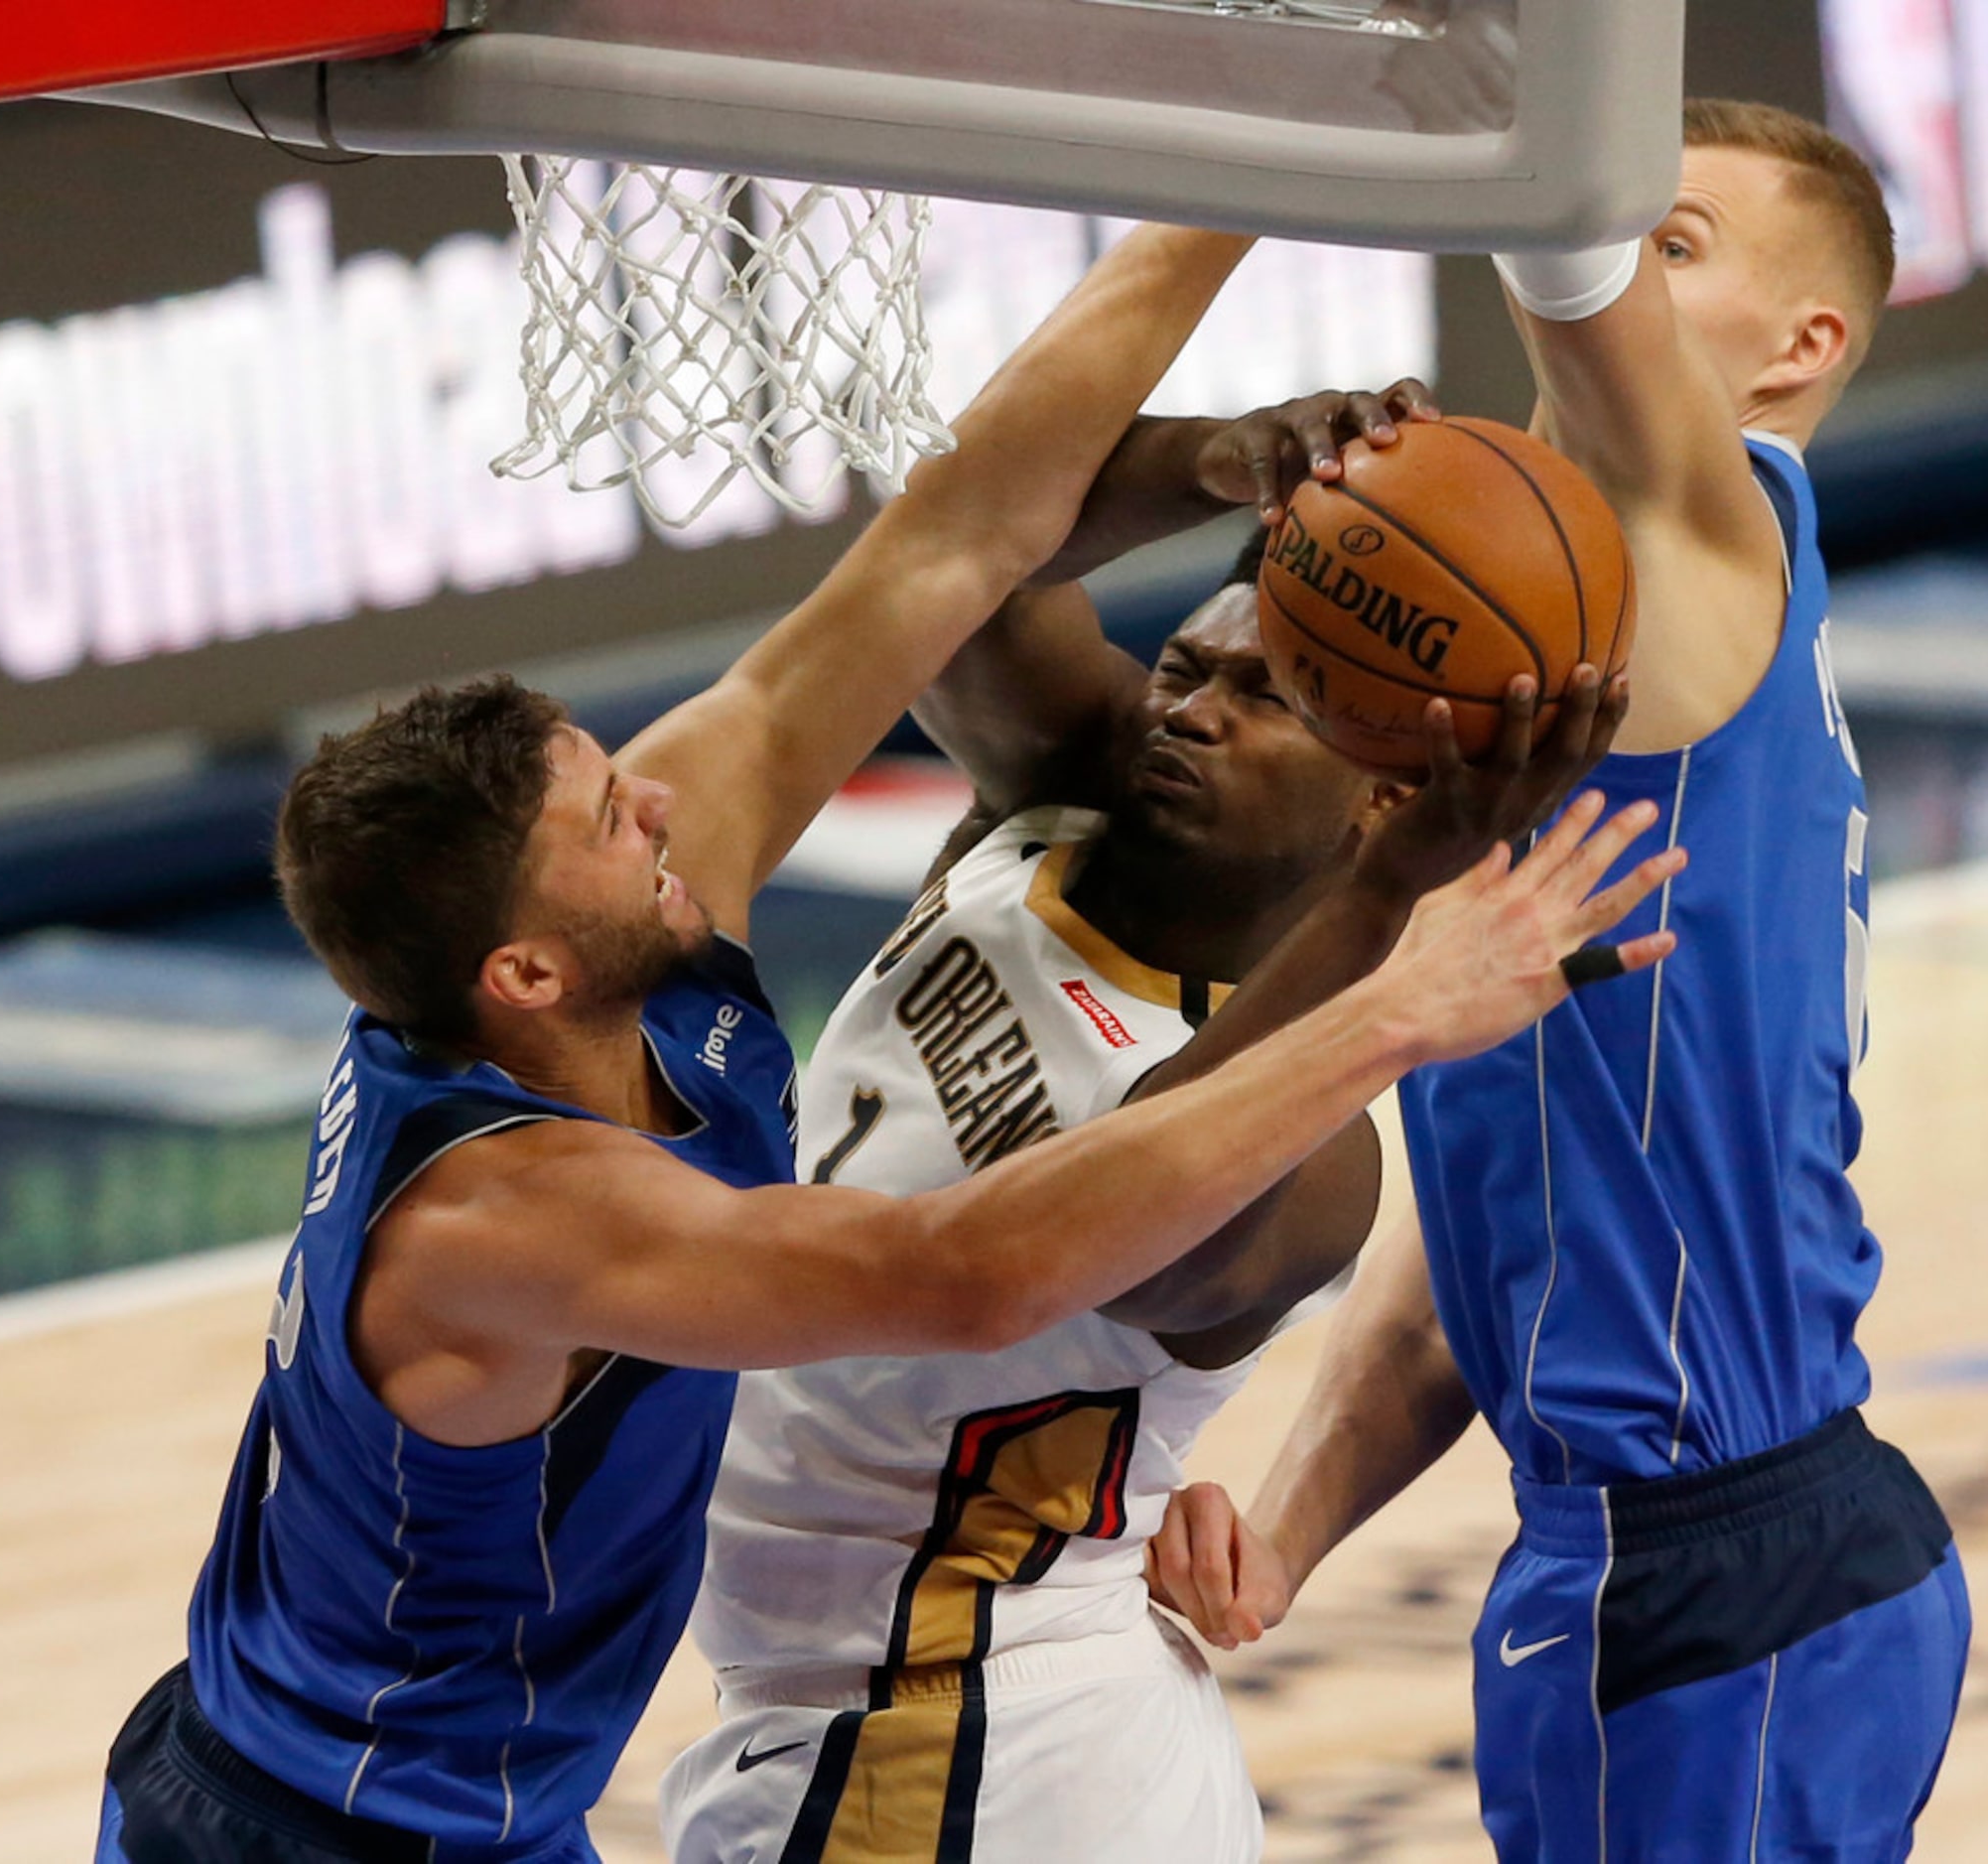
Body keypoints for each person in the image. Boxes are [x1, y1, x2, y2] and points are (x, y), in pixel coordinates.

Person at [93, 224, 1676, 1864]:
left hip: (888, 1730)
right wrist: (1401, 985)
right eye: (606, 820)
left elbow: (954, 538)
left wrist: (1227, 208)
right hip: (349, 1831)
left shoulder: (528, 967)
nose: (659, 803)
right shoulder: (514, 1213)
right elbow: (967, 1274)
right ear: (525, 969)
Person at [1152, 99, 1971, 1861]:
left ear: (1800, 350)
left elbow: (1563, 255)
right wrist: (1290, 1527)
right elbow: (1491, 1231)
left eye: (1676, 243)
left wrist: (1510, 84)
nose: (1614, 264)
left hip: (1708, 1577)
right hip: (1683, 1558)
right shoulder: (1591, 660)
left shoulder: (1707, 531)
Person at [660, 409, 1656, 1858]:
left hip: (974, 1729)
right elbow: (966, 553)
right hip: (904, 1713)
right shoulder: (1061, 799)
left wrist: (1384, 900)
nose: (1186, 708)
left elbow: (1134, 1219)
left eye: (1266, 697)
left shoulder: (1318, 1158)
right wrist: (1212, 460)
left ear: (1386, 796)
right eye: (1182, 667)